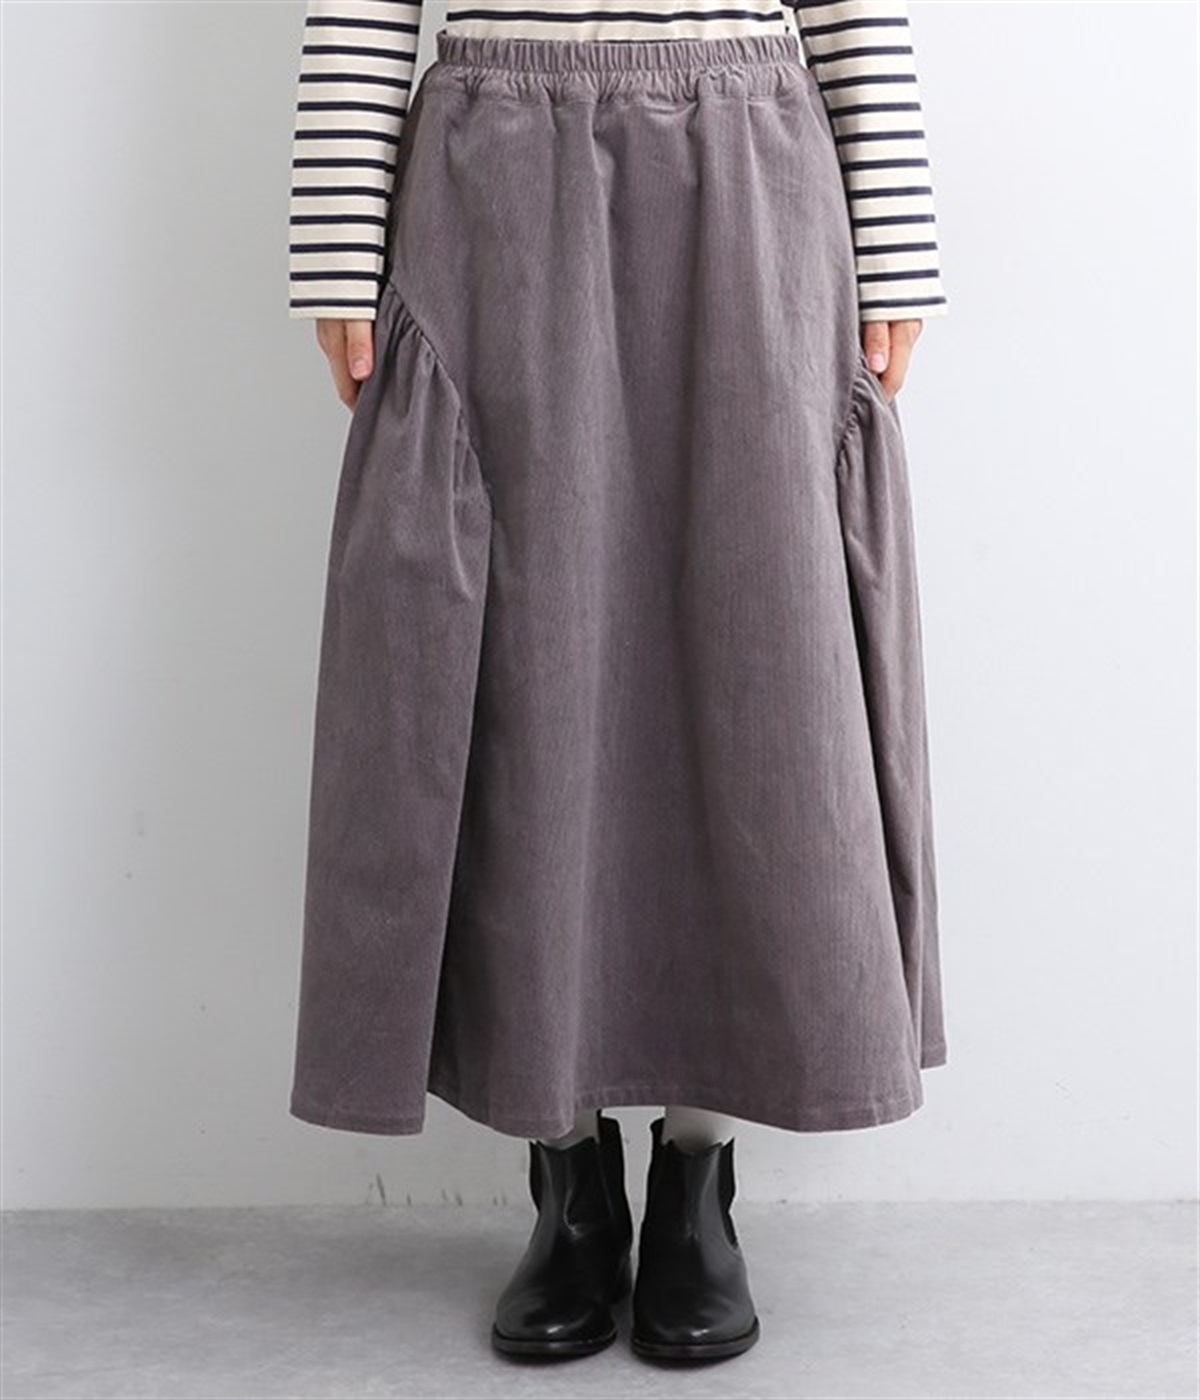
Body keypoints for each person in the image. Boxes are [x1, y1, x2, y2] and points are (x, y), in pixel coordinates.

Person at [286, 0, 949, 1365]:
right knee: (521, 671)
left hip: (746, 163)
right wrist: (337, 252)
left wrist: (895, 243)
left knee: (766, 667)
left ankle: (698, 1185)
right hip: (492, 176)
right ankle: (569, 1181)